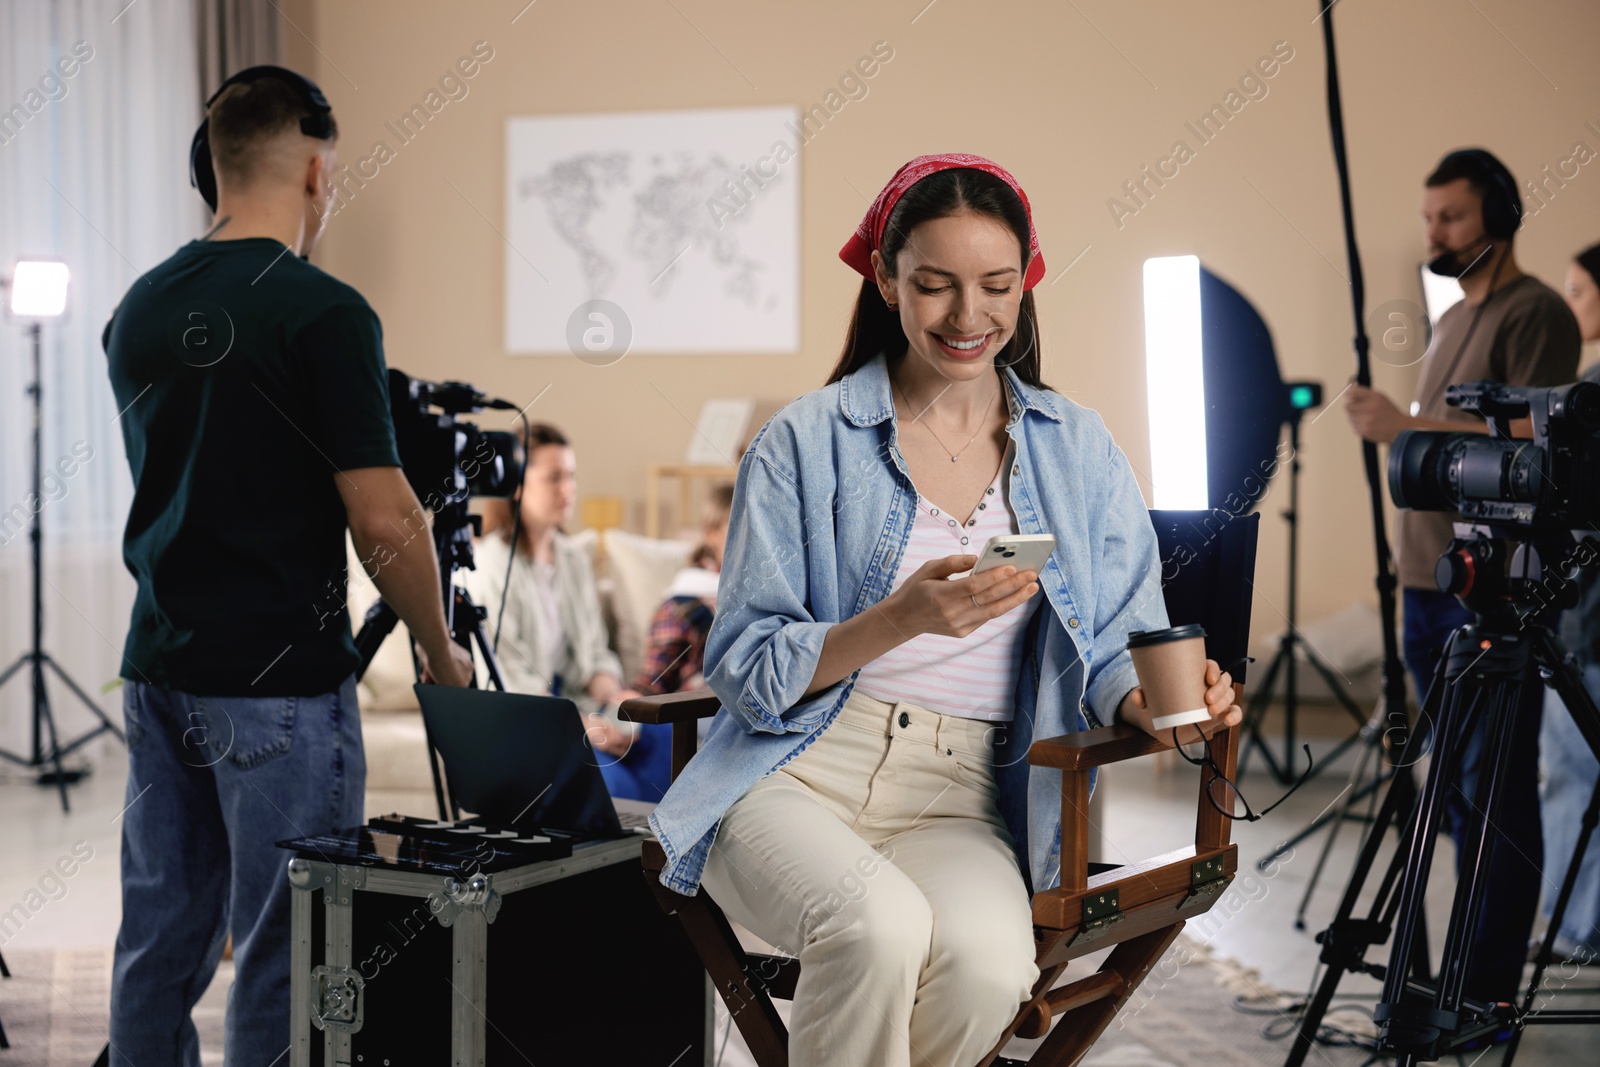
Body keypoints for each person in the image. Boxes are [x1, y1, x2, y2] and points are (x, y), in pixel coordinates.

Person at [646, 154, 1243, 1067]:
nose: (969, 317)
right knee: (876, 928)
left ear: (1025, 284)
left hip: (967, 795)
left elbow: (1121, 637)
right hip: (798, 773)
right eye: (934, 285)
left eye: (996, 286)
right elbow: (746, 667)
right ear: (886, 281)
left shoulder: (1078, 449)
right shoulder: (804, 442)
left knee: (986, 965)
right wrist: (900, 618)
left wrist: (1161, 701)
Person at [102, 68, 473, 1067]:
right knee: (291, 946)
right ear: (316, 172)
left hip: (159, 668)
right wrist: (439, 648)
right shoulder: (321, 311)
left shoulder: (137, 310)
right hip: (279, 686)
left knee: (160, 939)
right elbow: (384, 514)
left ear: (215, 167)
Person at [1346, 148, 1581, 1006]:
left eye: (1451, 216)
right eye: (1429, 217)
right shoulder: (1449, 320)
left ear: (1500, 217)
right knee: (1453, 795)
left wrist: (1402, 423)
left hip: (1491, 591)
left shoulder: (1536, 312)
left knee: (1492, 797)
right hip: (1425, 583)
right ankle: (1452, 980)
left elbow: (1531, 445)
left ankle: (1480, 994)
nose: (1435, 232)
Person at [468, 422, 640, 755]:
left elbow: (595, 652)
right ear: (516, 485)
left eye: (571, 476)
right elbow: (507, 677)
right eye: (554, 478)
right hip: (525, 715)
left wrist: (613, 694)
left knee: (661, 741)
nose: (568, 489)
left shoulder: (573, 557)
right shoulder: (491, 564)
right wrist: (577, 724)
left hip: (577, 705)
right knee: (596, 766)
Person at [1536, 241, 1600, 964]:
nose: (1571, 303)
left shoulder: (1589, 394)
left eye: (1580, 289)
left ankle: (1570, 928)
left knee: (1572, 773)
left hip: (1587, 625)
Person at [604, 484, 736, 801]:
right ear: (712, 533)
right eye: (739, 525)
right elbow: (654, 679)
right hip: (702, 709)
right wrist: (620, 715)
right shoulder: (687, 604)